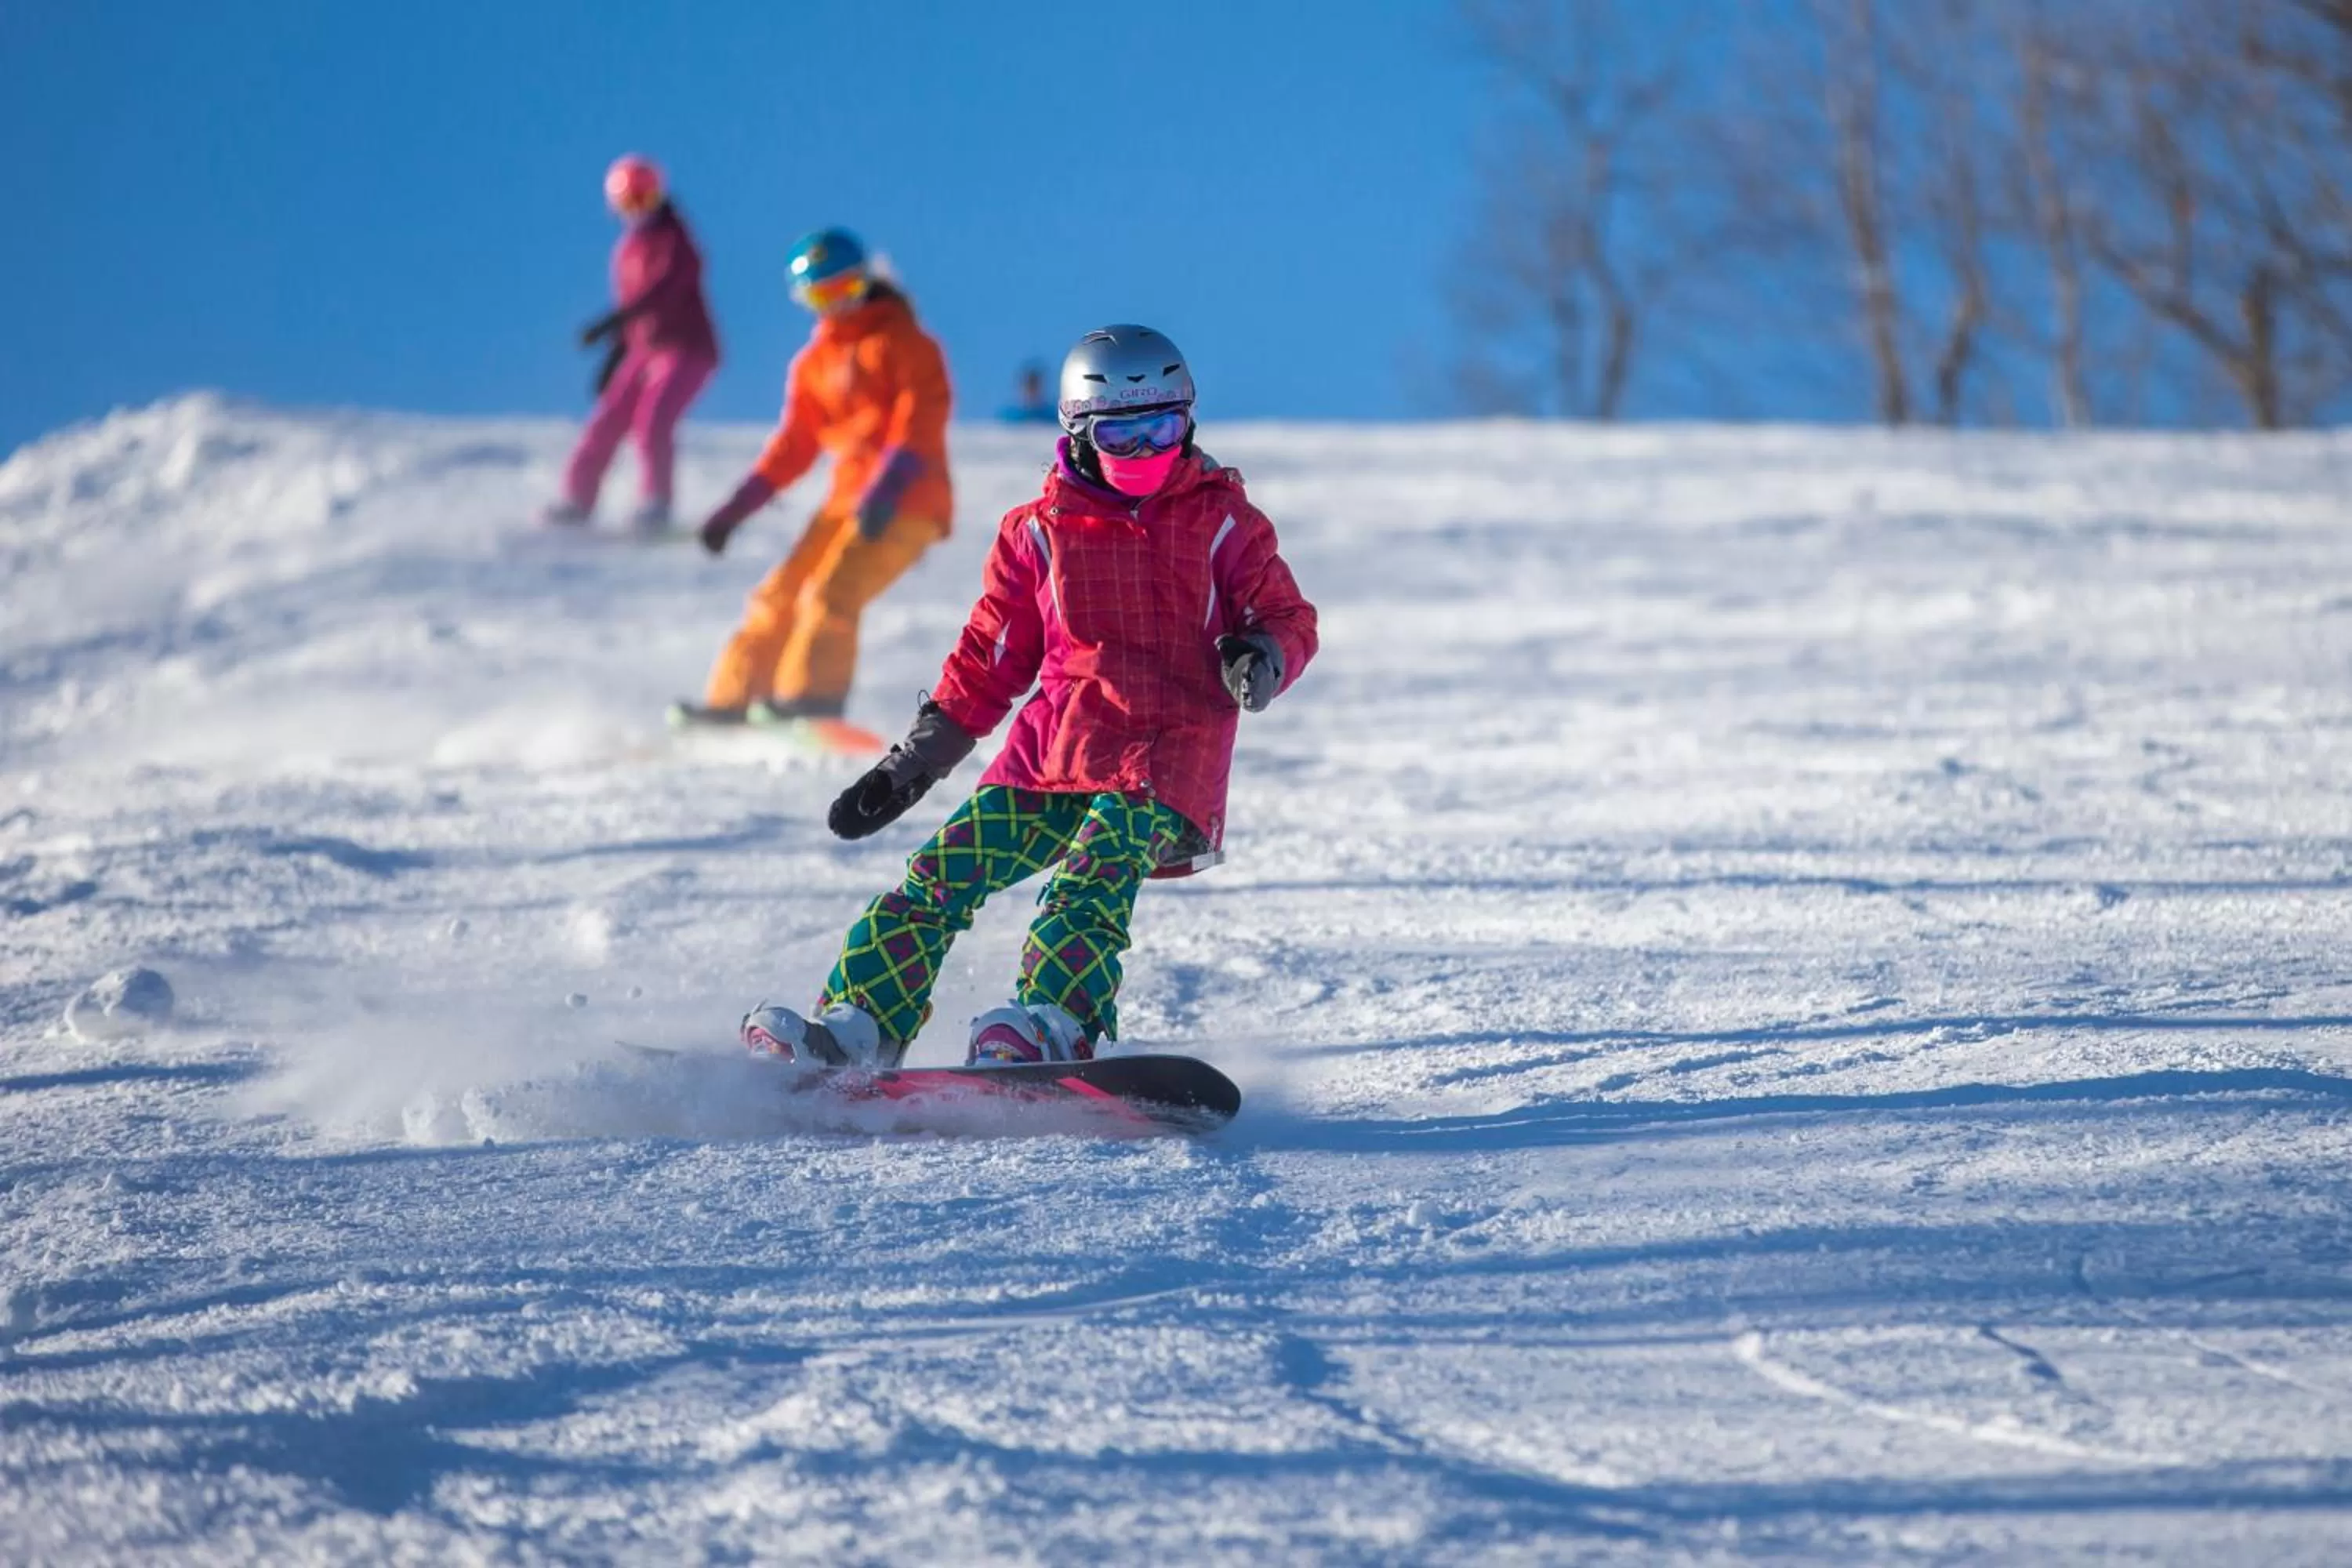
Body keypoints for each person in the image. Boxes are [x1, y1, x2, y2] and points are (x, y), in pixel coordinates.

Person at [735, 325, 1318, 1069]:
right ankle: (858, 1031)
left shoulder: (1224, 522)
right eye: (1123, 435)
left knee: (1089, 883)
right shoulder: (1037, 535)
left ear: (1188, 422)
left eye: (1162, 430)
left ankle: (1056, 1021)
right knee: (939, 876)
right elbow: (989, 660)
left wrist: (1262, 658)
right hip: (1052, 755)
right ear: (1079, 433)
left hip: (1165, 755)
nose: (1146, 453)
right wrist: (913, 763)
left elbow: (1287, 617)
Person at [672, 227, 953, 727]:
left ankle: (814, 702)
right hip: (846, 502)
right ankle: (733, 702)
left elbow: (920, 424)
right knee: (778, 595)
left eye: (842, 291)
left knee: (831, 593)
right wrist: (737, 508)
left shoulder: (906, 344)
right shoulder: (815, 364)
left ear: (865, 282)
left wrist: (887, 491)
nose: (833, 307)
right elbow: (794, 445)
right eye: (818, 296)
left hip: (907, 502)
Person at [544, 155, 720, 531]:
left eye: (645, 200)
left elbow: (665, 290)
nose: (637, 211)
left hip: (687, 348)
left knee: (653, 419)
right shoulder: (628, 250)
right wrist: (618, 351)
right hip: (644, 349)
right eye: (629, 204)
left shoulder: (676, 240)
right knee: (607, 419)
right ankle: (578, 500)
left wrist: (616, 320)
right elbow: (633, 303)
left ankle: (656, 502)